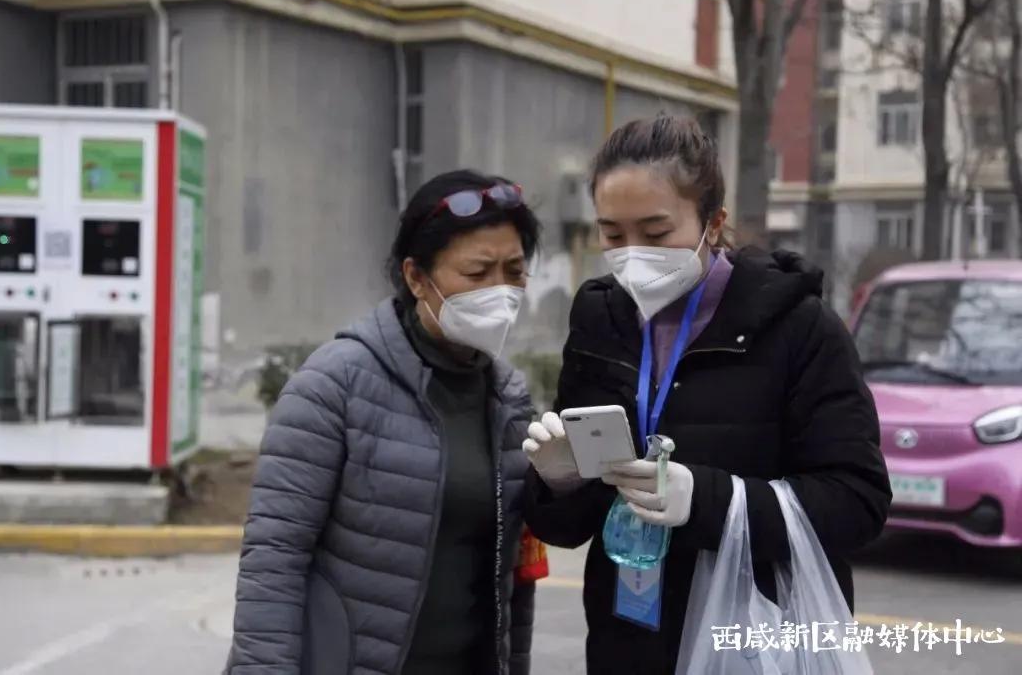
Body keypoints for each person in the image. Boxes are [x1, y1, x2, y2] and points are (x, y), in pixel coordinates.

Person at [523, 114, 892, 674]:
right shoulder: (601, 317)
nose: (632, 255)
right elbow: (573, 524)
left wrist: (707, 500)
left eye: (656, 233)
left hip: (752, 643)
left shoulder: (798, 328)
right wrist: (559, 484)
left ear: (713, 224)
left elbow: (857, 503)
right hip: (627, 638)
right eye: (613, 235)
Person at [227, 170, 542, 675]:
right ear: (416, 277)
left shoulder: (508, 399)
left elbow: (514, 578)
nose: (499, 291)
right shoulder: (334, 384)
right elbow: (274, 560)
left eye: (514, 271)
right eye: (478, 272)